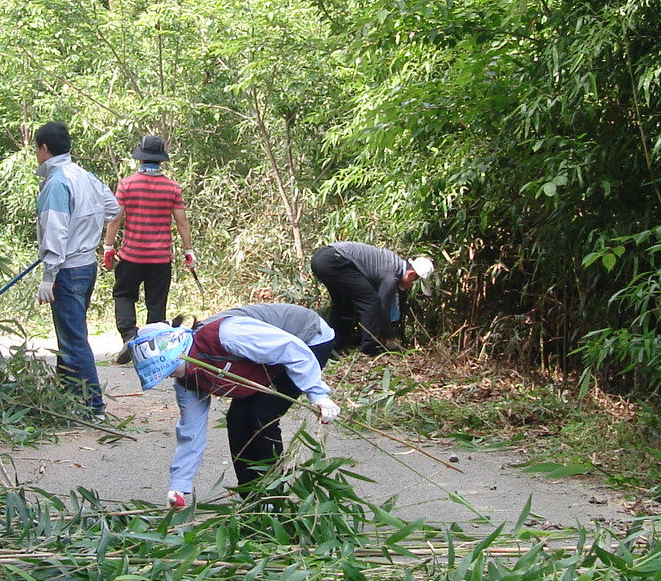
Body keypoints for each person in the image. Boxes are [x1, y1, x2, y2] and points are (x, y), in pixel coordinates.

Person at [131, 303, 341, 510]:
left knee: (261, 415)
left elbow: (291, 350)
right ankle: (251, 497)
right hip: (268, 357)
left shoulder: (227, 335)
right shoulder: (186, 379)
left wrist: (318, 395)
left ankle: (273, 497)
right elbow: (190, 431)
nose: (171, 375)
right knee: (237, 419)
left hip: (306, 339)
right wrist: (178, 485)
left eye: (171, 368)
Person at [32, 121, 119, 414]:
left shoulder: (57, 183)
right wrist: (85, 228)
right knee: (70, 334)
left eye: (36, 149)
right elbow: (112, 208)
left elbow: (55, 230)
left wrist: (48, 274)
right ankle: (68, 397)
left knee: (73, 339)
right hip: (87, 264)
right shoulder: (85, 176)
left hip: (67, 268)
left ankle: (92, 403)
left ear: (44, 149)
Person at [102, 134, 194, 363]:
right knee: (156, 303)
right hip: (160, 259)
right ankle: (150, 351)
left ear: (140, 159)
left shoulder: (127, 184)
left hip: (131, 256)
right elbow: (181, 221)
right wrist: (188, 251)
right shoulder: (172, 188)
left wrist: (108, 246)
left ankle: (129, 337)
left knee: (123, 295)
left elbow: (115, 218)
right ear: (161, 160)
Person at [309, 241, 436, 355]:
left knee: (343, 304)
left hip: (321, 258)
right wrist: (389, 336)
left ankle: (337, 345)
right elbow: (381, 306)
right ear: (410, 274)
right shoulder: (391, 275)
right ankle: (369, 348)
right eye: (413, 282)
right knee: (371, 302)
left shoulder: (393, 263)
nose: (410, 286)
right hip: (334, 260)